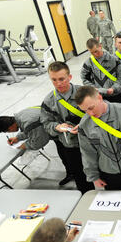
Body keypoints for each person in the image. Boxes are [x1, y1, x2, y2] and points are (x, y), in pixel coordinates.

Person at [41, 61, 94, 193]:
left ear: (69, 77)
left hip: (93, 141)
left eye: (61, 79)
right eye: (54, 80)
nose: (58, 83)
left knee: (103, 172)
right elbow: (46, 123)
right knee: (80, 178)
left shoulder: (84, 93)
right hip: (70, 145)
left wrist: (84, 123)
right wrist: (57, 127)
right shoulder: (49, 101)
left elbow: (101, 113)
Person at [81, 38, 121, 105]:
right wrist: (94, 89)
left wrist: (114, 88)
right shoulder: (88, 63)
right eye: (91, 52)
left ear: (100, 46)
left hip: (117, 95)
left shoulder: (114, 60)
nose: (95, 54)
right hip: (100, 97)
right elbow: (84, 78)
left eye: (96, 51)